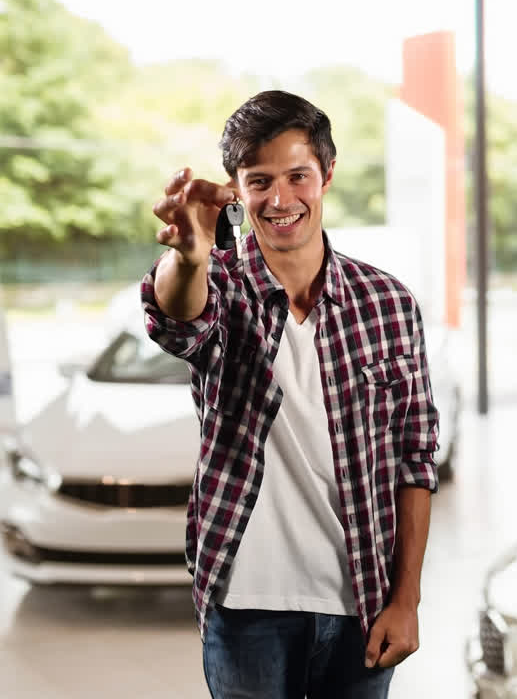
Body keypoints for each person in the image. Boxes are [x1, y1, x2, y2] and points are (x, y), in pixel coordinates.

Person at [141, 90, 439, 698]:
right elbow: (176, 320)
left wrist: (406, 598)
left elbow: (415, 456)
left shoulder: (388, 302)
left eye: (296, 176)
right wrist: (190, 258)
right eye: (259, 181)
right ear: (236, 188)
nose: (279, 200)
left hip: (361, 599)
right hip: (247, 606)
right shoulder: (222, 285)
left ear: (326, 174)